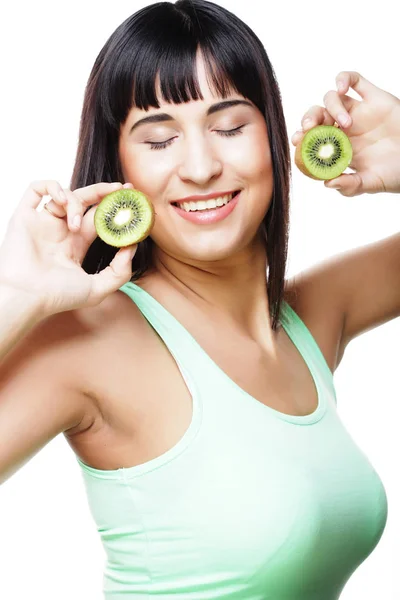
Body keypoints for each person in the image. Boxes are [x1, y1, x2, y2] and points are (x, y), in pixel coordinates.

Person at [0, 0, 399, 598]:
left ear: (275, 136)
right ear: (121, 165)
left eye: (231, 127)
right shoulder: (90, 342)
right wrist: (15, 296)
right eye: (158, 140)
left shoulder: (311, 318)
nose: (201, 166)